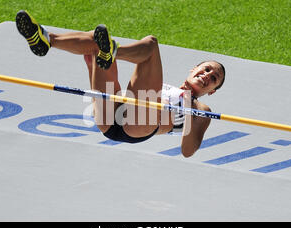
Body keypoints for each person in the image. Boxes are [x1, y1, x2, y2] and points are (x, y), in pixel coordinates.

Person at [15, 10, 226, 157]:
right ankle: (45, 39)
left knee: (151, 46)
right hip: (111, 117)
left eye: (213, 78)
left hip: (137, 128)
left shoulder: (201, 109)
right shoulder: (165, 86)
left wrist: (189, 109)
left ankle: (114, 52)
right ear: (193, 69)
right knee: (96, 44)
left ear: (213, 91)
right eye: (206, 68)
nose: (207, 75)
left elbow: (187, 151)